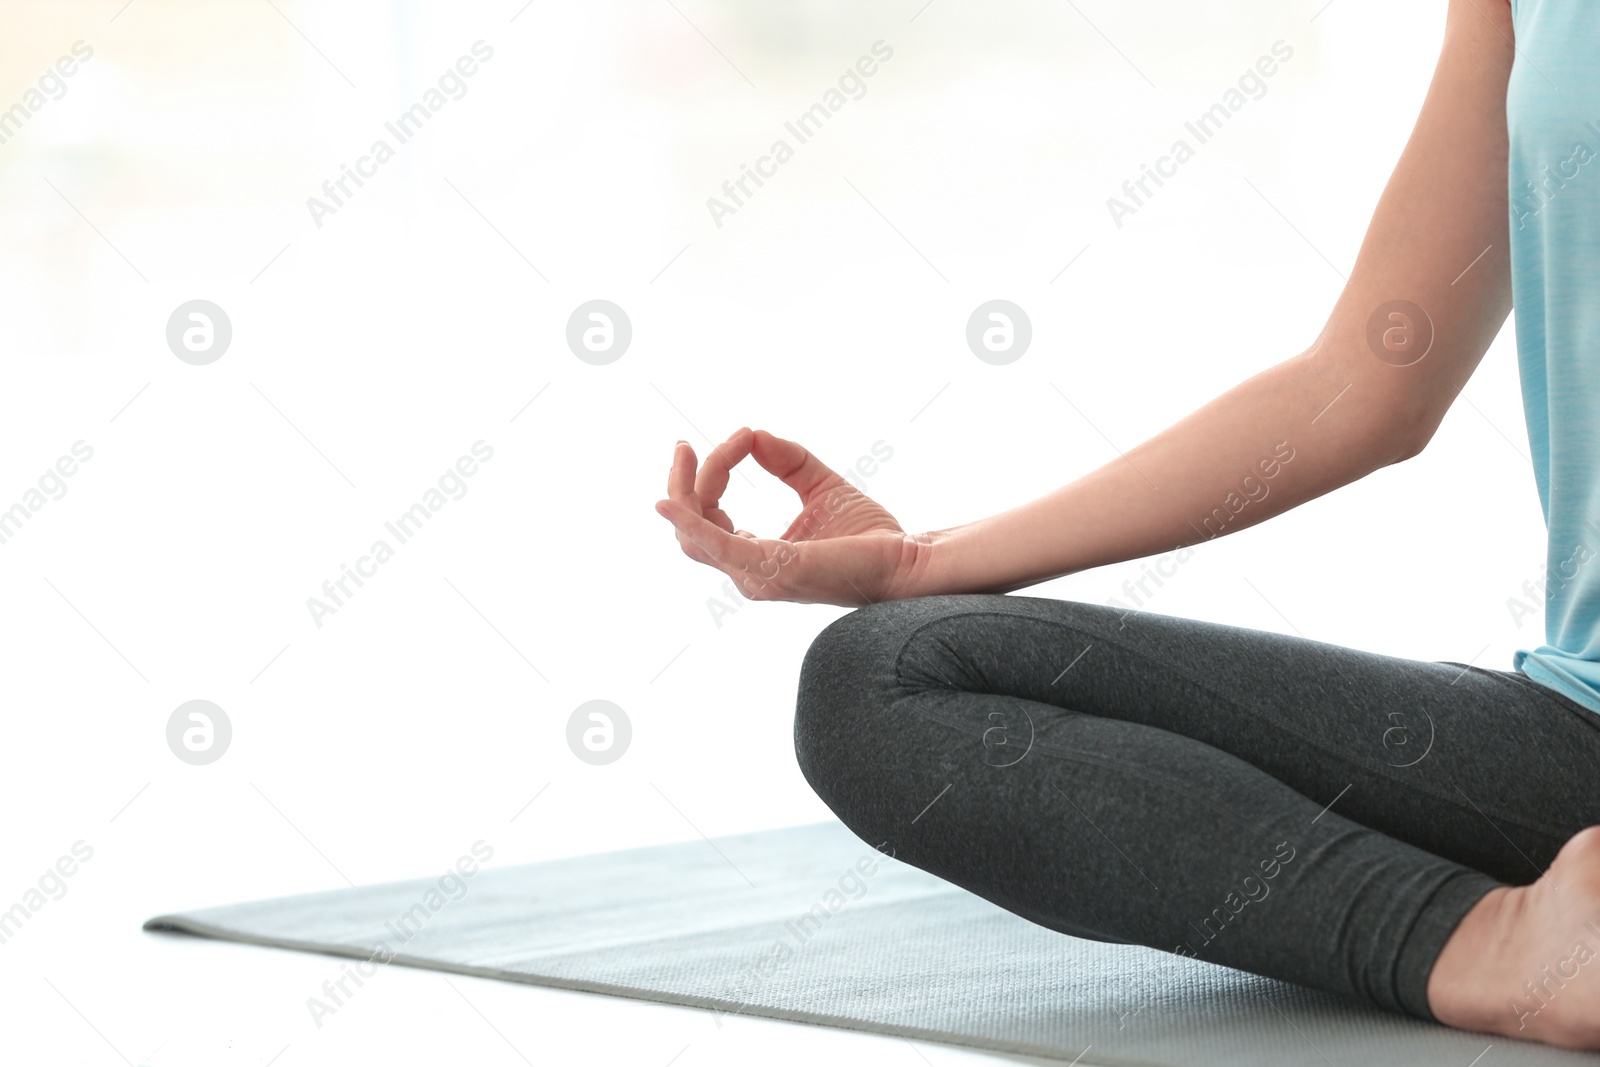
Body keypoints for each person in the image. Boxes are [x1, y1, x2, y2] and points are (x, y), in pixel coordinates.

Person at [654, 0, 1600, 1049]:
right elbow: (1365, 381)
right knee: (883, 675)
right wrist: (920, 561)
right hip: (1575, 734)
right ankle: (1487, 946)